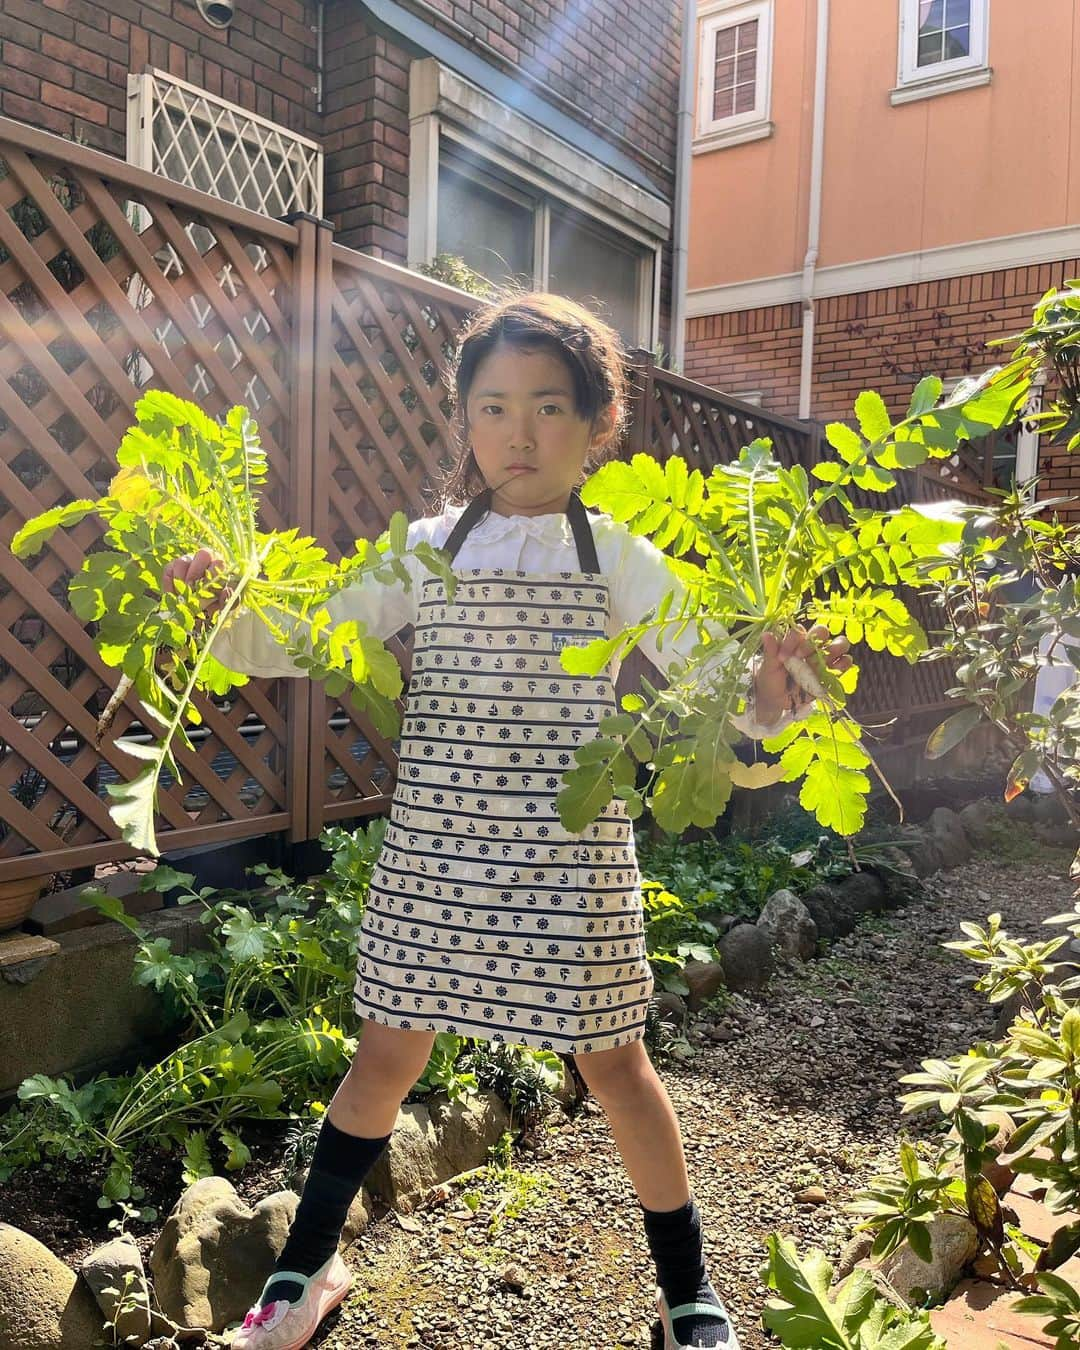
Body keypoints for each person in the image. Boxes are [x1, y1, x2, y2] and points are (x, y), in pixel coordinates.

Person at [164, 292, 850, 1350]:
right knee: (385, 1058)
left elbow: (726, 688)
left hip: (568, 857)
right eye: (492, 408)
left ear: (597, 428)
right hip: (437, 847)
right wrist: (227, 610)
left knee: (615, 1065)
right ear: (465, 420)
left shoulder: (619, 556)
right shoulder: (427, 547)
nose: (517, 434)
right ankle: (302, 1273)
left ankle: (688, 1294)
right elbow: (311, 637)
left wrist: (780, 679)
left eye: (547, 409)